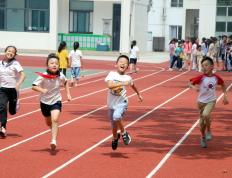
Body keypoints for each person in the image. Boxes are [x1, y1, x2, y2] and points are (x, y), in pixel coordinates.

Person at [32, 53, 71, 151]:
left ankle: (53, 140)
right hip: (44, 102)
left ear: (59, 65)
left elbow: (66, 82)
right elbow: (33, 86)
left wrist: (68, 94)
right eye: (52, 63)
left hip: (56, 100)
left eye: (56, 63)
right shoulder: (43, 75)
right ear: (47, 65)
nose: (54, 65)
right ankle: (53, 128)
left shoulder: (60, 75)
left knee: (55, 119)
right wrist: (42, 90)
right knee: (48, 122)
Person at [188, 56, 229, 148]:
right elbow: (189, 83)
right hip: (200, 102)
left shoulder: (216, 78)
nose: (204, 67)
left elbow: (222, 84)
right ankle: (203, 137)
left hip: (211, 101)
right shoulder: (201, 77)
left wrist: (225, 96)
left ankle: (209, 131)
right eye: (202, 66)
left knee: (206, 114)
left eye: (206, 65)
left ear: (212, 66)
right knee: (201, 124)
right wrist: (193, 87)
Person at [105, 55, 143, 150]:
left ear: (127, 67)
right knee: (114, 125)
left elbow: (133, 85)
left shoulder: (128, 78)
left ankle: (124, 133)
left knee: (117, 116)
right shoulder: (111, 74)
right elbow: (109, 85)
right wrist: (122, 83)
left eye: (125, 63)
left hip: (122, 102)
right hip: (111, 105)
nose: (123, 64)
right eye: (121, 62)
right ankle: (115, 138)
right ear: (116, 64)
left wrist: (138, 94)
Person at [0, 46, 26, 137]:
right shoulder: (0, 63)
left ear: (15, 54)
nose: (10, 53)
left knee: (12, 111)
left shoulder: (15, 63)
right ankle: (3, 127)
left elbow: (23, 74)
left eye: (13, 52)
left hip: (13, 90)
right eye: (9, 51)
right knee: (2, 107)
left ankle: (16, 103)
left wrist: (18, 84)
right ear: (5, 51)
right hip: (2, 89)